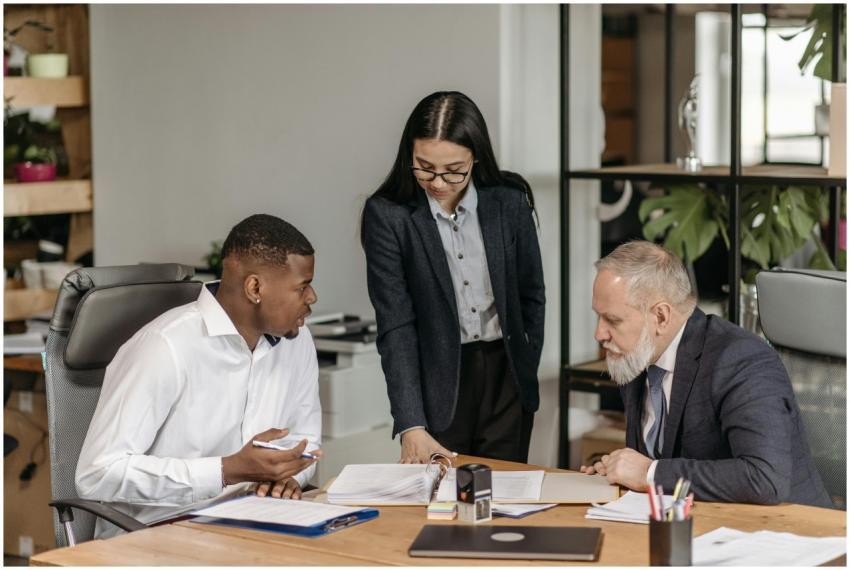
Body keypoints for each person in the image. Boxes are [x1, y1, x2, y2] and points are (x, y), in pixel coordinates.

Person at [76, 214, 323, 537]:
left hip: (253, 524)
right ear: (254, 287)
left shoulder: (297, 341)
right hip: (159, 536)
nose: (312, 298)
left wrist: (287, 477)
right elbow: (96, 473)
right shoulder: (164, 347)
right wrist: (225, 471)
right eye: (302, 287)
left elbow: (306, 444)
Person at [361, 91, 545, 464]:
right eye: (425, 167)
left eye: (454, 170)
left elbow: (532, 294)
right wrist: (411, 423)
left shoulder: (508, 200)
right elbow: (395, 325)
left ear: (476, 156)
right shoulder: (388, 216)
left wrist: (525, 363)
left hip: (506, 375)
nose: (439, 182)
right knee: (441, 504)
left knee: (506, 497)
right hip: (438, 383)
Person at [581, 240, 832, 507]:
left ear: (662, 317)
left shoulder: (741, 359)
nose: (599, 334)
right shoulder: (637, 357)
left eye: (613, 320)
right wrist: (616, 472)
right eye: (599, 317)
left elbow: (764, 479)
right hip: (693, 523)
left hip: (786, 533)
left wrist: (648, 473)